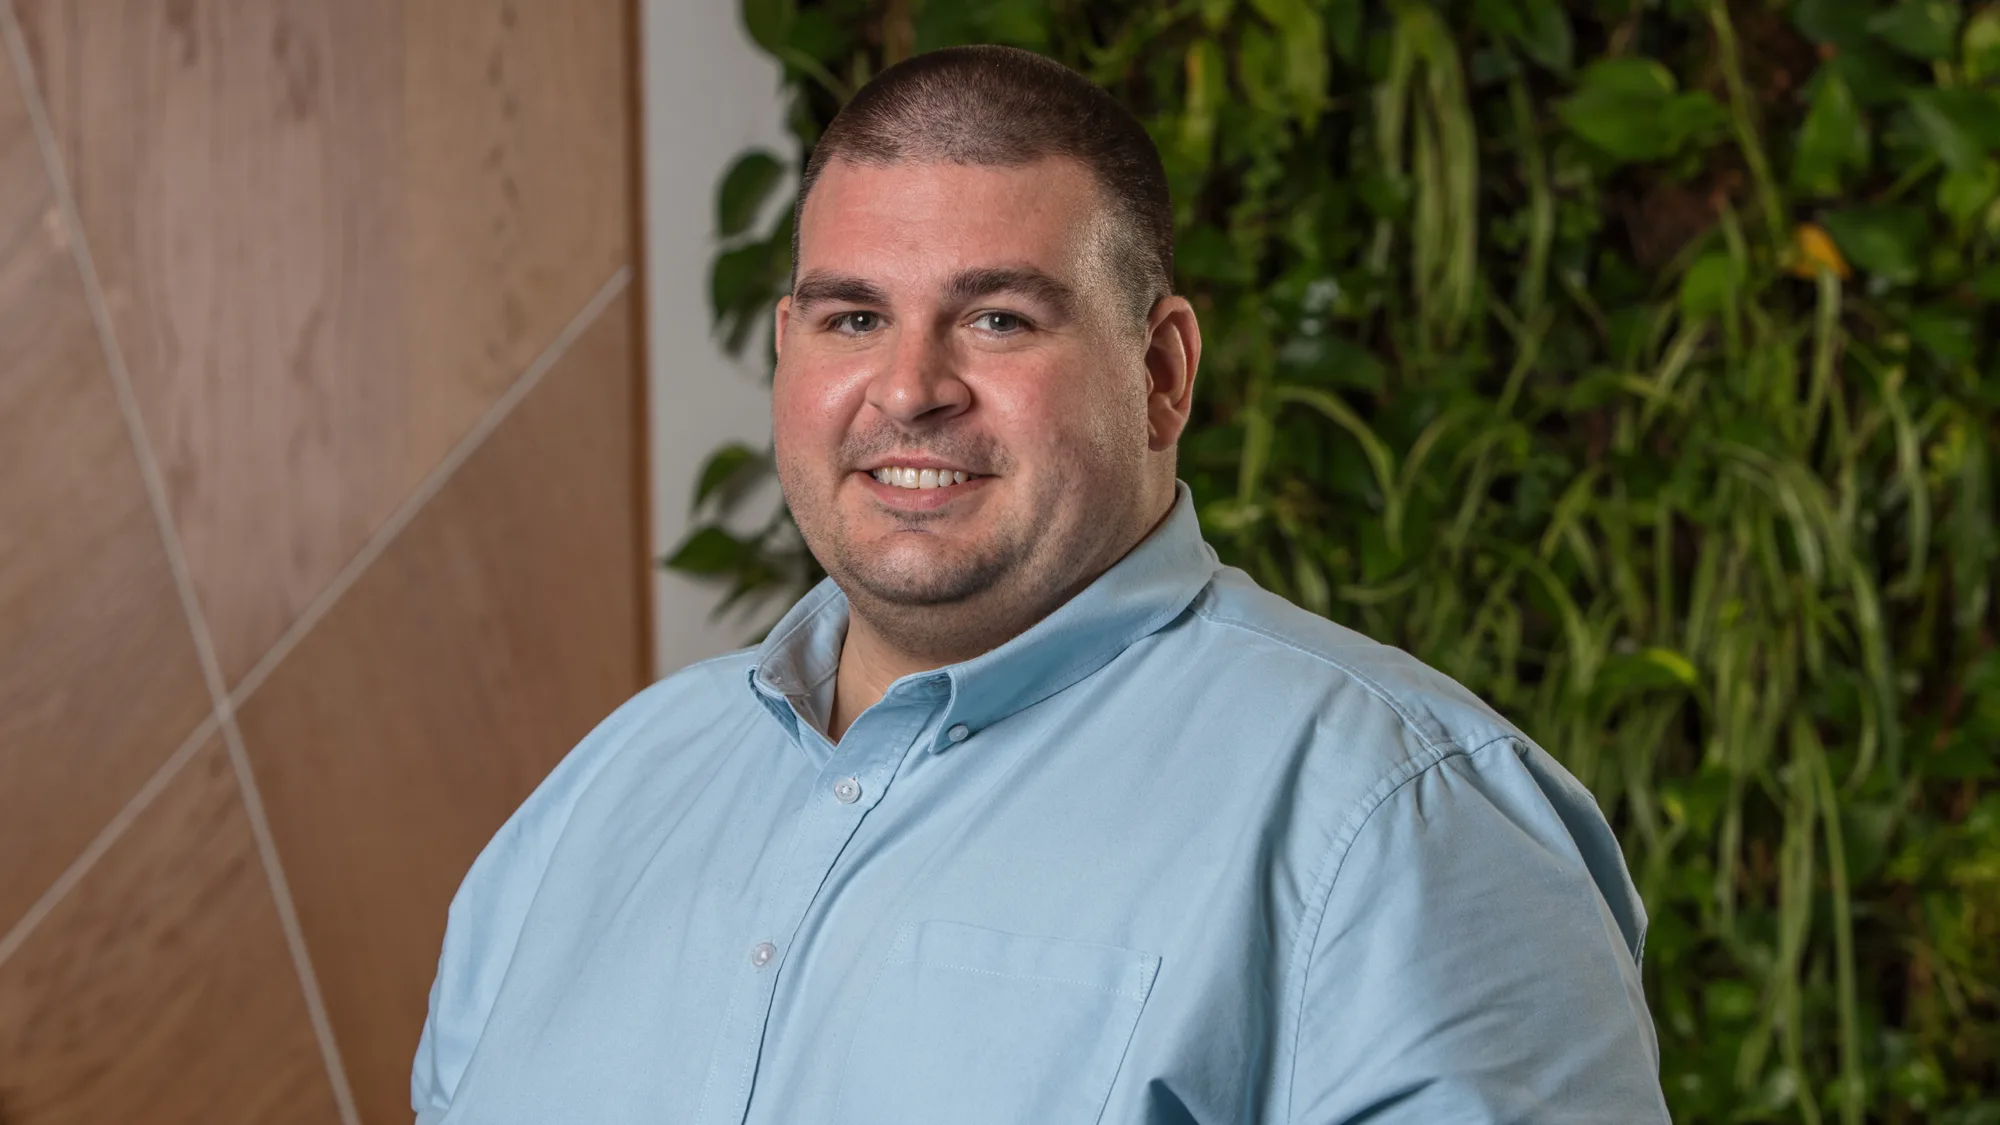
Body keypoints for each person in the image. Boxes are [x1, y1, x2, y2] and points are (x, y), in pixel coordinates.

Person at [411, 44, 1670, 1125]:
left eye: (998, 319)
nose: (908, 390)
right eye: (853, 318)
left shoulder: (1400, 820)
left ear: (1161, 372)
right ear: (788, 349)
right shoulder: (600, 801)